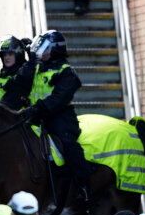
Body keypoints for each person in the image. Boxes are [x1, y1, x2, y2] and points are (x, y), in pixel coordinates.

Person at [17, 30, 91, 202]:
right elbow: (21, 80)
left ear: (56, 50)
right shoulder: (36, 68)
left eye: (45, 49)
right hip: (35, 117)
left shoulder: (66, 72)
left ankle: (83, 186)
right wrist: (28, 60)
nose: (41, 52)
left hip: (59, 118)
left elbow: (58, 99)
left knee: (69, 145)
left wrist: (36, 109)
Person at [0, 35, 34, 109]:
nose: (6, 57)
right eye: (4, 54)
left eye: (10, 54)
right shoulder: (2, 73)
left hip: (18, 116)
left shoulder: (23, 74)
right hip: (0, 115)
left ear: (18, 55)